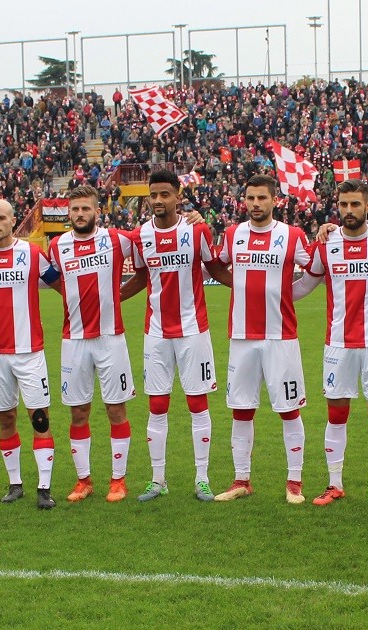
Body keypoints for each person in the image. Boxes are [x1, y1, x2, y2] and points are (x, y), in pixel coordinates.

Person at [120, 170, 232, 502]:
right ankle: (158, 480)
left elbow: (216, 269)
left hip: (193, 331)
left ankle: (202, 479)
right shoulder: (141, 236)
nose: (158, 200)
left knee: (198, 403)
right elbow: (141, 278)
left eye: (165, 194)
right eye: (153, 195)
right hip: (156, 332)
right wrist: (112, 298)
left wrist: (248, 286)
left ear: (177, 196)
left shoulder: (196, 231)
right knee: (157, 405)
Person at [297, 179, 368, 508]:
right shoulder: (326, 243)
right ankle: (334, 484)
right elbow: (305, 285)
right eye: (343, 204)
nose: (349, 210)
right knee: (336, 414)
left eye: (355, 204)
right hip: (338, 343)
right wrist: (267, 296)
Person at [213, 174, 312, 505]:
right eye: (251, 198)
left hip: (280, 337)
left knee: (289, 410)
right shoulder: (233, 234)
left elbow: (316, 270)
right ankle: (241, 480)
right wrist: (238, 286)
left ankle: (294, 482)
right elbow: (215, 266)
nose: (256, 204)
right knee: (241, 410)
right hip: (242, 337)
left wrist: (290, 294)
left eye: (262, 198)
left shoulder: (292, 235)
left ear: (274, 200)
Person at [48, 185, 145, 503]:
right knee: (78, 412)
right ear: (69, 212)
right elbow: (53, 280)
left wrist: (118, 295)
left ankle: (118, 481)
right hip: (74, 340)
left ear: (97, 211)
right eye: (75, 209)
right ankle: (84, 481)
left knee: (116, 409)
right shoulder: (57, 246)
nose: (80, 214)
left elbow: (151, 245)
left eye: (85, 208)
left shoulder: (117, 239)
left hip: (110, 338)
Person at [0, 200, 61, 510]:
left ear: (12, 220)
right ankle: (15, 484)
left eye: (0, 218)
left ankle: (44, 488)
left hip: (30, 352)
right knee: (5, 419)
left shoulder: (32, 253)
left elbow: (61, 284)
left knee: (39, 419)